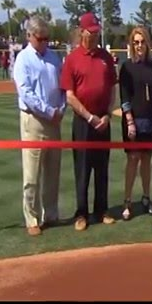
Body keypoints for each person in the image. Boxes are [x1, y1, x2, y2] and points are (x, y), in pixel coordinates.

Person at [60, 12, 118, 231]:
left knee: (102, 168)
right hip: (83, 122)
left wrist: (107, 115)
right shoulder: (73, 59)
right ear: (82, 31)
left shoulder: (105, 57)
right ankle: (81, 213)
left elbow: (112, 88)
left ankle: (101, 210)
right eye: (91, 32)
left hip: (103, 120)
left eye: (96, 32)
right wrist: (90, 117)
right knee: (82, 169)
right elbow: (70, 96)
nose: (94, 36)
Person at [13, 15, 66, 236]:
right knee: (32, 174)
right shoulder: (23, 59)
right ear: (30, 36)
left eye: (47, 38)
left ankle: (51, 214)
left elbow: (63, 87)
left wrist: (61, 109)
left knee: (53, 171)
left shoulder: (54, 58)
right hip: (33, 120)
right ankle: (32, 218)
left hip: (54, 120)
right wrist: (48, 111)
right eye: (40, 38)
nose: (45, 42)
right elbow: (26, 93)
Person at [119, 26, 152, 220]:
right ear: (131, 44)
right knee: (132, 160)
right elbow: (124, 96)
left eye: (142, 41)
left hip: (150, 120)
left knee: (146, 160)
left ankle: (146, 197)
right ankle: (127, 200)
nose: (139, 45)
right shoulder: (126, 67)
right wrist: (129, 121)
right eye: (136, 42)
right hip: (133, 121)